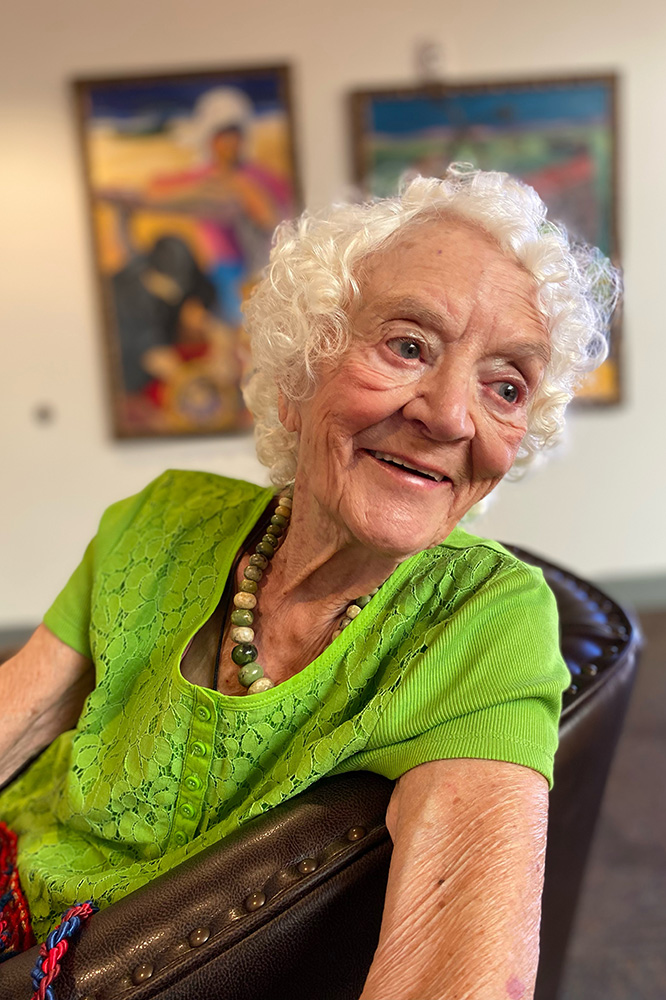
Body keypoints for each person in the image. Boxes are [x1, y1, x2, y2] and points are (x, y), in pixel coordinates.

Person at [0, 164, 618, 998]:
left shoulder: (484, 620)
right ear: (300, 377)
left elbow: (462, 977)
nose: (449, 414)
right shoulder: (162, 515)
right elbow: (18, 710)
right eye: (408, 346)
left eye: (505, 385)